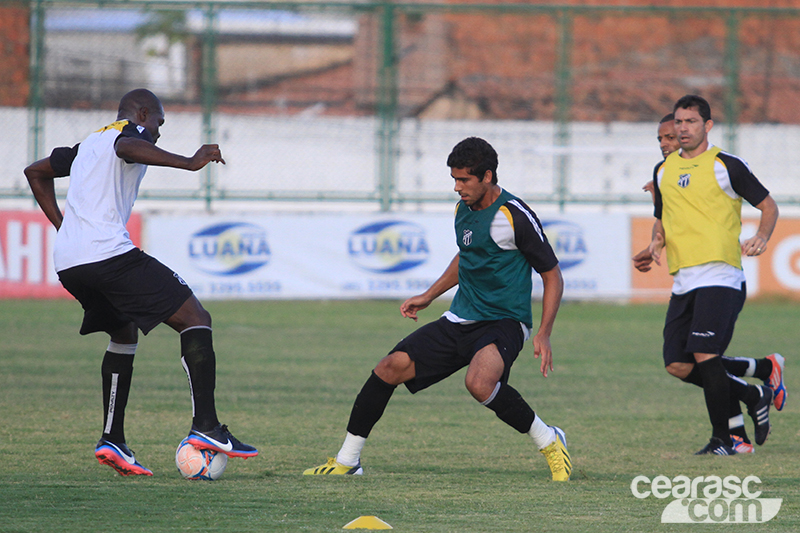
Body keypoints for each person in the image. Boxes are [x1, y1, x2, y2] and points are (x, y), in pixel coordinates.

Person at [303, 137, 571, 481]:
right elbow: (467, 257)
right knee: (388, 368)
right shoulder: (463, 210)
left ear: (487, 176)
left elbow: (552, 275)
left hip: (504, 321)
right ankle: (347, 460)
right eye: (454, 180)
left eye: (464, 180)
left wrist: (544, 334)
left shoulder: (513, 215)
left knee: (478, 382)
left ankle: (550, 441)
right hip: (460, 318)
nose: (457, 188)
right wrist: (429, 295)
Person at [24, 88, 258, 476]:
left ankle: (112, 438)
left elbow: (35, 171)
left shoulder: (85, 146)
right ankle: (207, 427)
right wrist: (189, 162)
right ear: (144, 113)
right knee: (195, 317)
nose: (159, 132)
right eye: (160, 123)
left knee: (123, 334)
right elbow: (127, 147)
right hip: (107, 255)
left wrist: (64, 228)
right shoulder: (127, 134)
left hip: (71, 263)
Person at [634, 109, 787, 454]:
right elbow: (664, 221)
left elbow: (768, 205)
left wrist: (761, 237)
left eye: (671, 135)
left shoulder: (724, 165)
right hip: (684, 279)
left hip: (720, 274)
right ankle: (758, 381)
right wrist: (654, 246)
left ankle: (728, 440)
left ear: (704, 127)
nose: (666, 143)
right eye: (662, 138)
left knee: (706, 355)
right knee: (677, 363)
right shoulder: (664, 173)